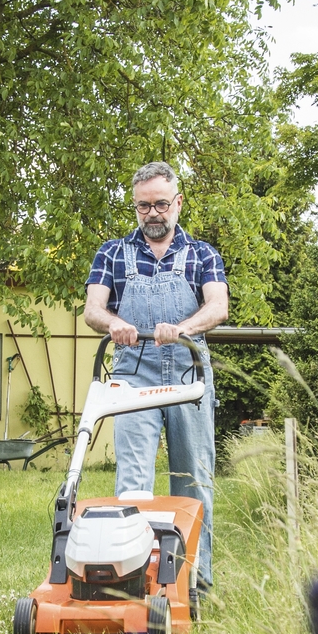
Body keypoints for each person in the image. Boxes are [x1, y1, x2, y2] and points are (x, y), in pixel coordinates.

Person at [83, 160, 228, 591]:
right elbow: (93, 309)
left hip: (187, 371)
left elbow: (218, 306)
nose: (153, 214)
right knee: (133, 484)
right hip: (133, 373)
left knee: (192, 479)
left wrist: (183, 328)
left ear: (178, 203)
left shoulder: (202, 254)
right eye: (143, 206)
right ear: (135, 207)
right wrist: (113, 323)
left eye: (161, 204)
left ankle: (196, 582)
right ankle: (132, 580)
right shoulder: (112, 253)